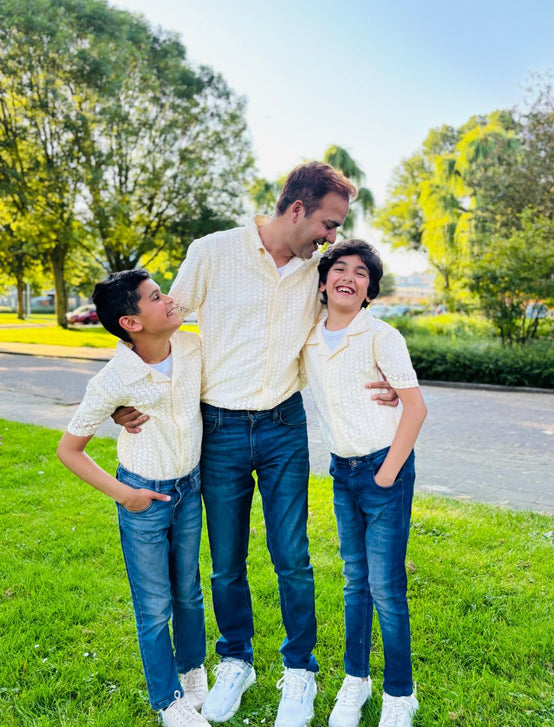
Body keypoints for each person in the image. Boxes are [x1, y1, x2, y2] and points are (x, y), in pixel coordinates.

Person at [113, 162, 398, 727]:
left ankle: (300, 671)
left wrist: (391, 383)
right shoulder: (213, 252)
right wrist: (127, 391)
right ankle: (236, 661)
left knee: (292, 556)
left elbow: (349, 322)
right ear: (297, 209)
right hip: (218, 428)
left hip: (283, 429)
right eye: (329, 222)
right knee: (225, 563)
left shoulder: (318, 272)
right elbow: (156, 321)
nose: (333, 236)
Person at [57, 270, 210, 727]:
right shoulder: (113, 379)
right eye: (156, 297)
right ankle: (167, 702)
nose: (170, 302)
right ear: (132, 323)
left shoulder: (192, 347)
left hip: (190, 486)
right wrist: (126, 495)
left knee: (189, 591)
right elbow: (69, 450)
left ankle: (193, 669)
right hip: (145, 494)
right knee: (154, 605)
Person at [300, 240, 427, 727]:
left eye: (360, 272)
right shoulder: (309, 340)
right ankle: (356, 680)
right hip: (341, 473)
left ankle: (400, 691)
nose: (348, 277)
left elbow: (415, 407)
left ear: (370, 289)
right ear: (324, 280)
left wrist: (388, 474)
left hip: (383, 470)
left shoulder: (381, 336)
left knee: (387, 586)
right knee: (356, 581)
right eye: (339, 268)